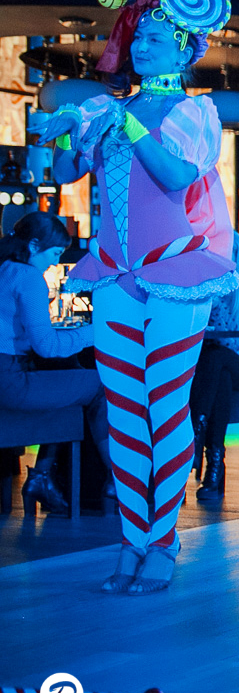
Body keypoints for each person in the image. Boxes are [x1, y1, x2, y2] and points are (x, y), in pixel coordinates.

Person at [34, 0, 239, 593]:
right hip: (113, 275)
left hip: (177, 275)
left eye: (157, 36)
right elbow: (66, 173)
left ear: (185, 49)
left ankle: (163, 542)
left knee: (166, 409)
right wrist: (61, 134)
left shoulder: (196, 111)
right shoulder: (105, 109)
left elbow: (176, 176)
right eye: (140, 34)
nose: (143, 43)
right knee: (123, 413)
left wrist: (124, 123)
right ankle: (133, 541)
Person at [0, 212, 110, 516]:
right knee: (99, 384)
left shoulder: (4, 269)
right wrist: (95, 331)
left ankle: (42, 476)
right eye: (55, 253)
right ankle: (116, 481)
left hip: (9, 376)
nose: (56, 262)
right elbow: (47, 346)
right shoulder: (27, 277)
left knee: (67, 380)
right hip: (10, 383)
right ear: (34, 245)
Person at [191, 231, 239, 502]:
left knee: (218, 359)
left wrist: (217, 298)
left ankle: (195, 432)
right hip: (210, 369)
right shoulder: (203, 291)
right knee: (216, 374)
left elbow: (232, 344)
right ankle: (215, 465)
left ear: (238, 258)